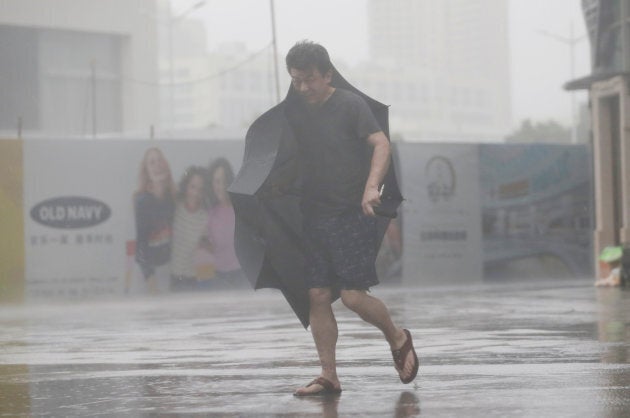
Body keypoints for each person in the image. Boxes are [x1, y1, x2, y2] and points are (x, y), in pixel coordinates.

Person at [283, 41, 419, 396]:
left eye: (309, 79)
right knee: (317, 294)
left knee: (353, 297)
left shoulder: (349, 105)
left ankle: (398, 337)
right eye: (296, 80)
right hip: (314, 214)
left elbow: (381, 144)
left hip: (352, 211)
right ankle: (329, 375)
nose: (303, 87)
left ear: (327, 75)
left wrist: (372, 186)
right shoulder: (294, 110)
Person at [134, 147, 176, 294]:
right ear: (146, 171)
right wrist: (151, 283)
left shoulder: (172, 198)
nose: (157, 165)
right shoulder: (142, 202)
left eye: (160, 161)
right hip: (146, 274)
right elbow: (141, 247)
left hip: (167, 269)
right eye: (152, 163)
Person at [203, 157, 245, 289]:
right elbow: (208, 248)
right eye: (217, 181)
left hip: (241, 275)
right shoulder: (209, 213)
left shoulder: (241, 210)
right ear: (212, 184)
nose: (221, 186)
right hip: (218, 277)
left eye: (225, 181)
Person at [170, 166, 210, 292]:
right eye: (193, 187)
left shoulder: (206, 217)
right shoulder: (174, 208)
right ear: (186, 186)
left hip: (195, 279)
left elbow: (209, 250)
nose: (196, 193)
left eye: (200, 189)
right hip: (173, 276)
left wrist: (205, 244)